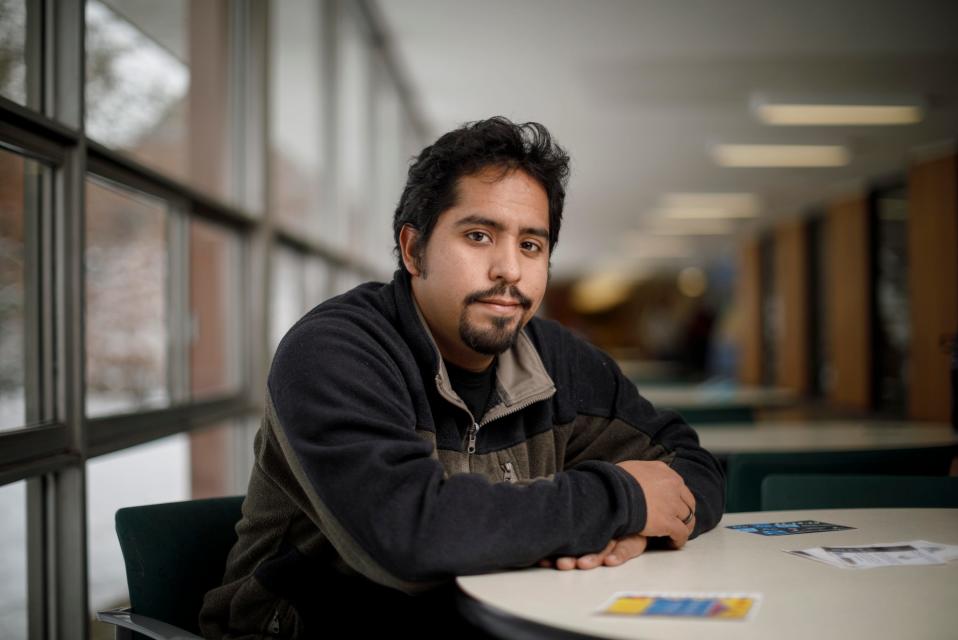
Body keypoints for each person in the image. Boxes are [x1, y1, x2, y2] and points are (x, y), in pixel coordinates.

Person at [199, 117, 725, 638]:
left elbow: (693, 467)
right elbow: (410, 534)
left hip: (486, 621)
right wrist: (623, 502)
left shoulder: (558, 359)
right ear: (414, 250)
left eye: (531, 245)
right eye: (479, 236)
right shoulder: (333, 352)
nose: (509, 270)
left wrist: (634, 532)